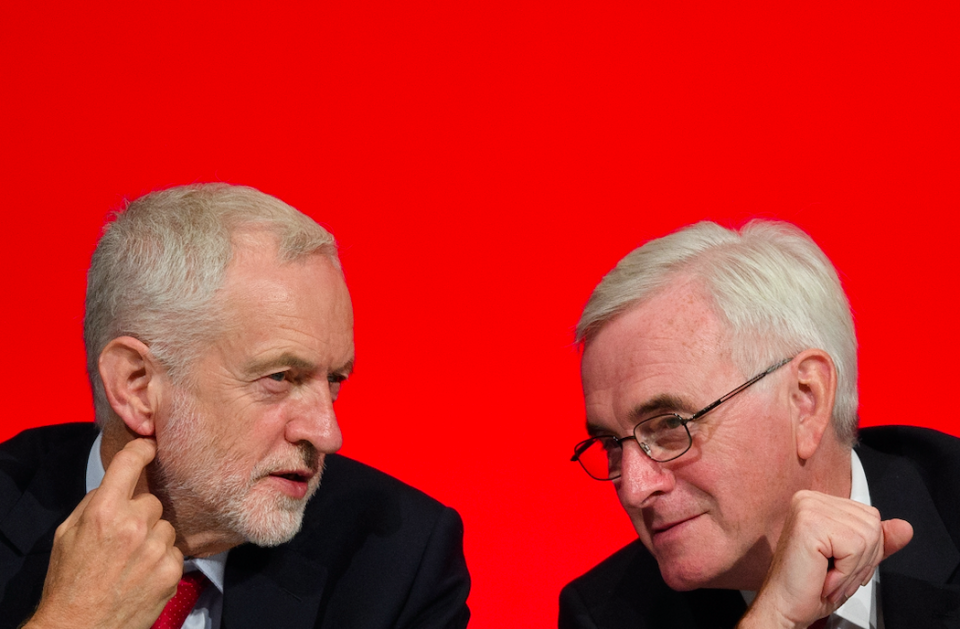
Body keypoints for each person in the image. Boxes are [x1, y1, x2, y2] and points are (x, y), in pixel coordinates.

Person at [0, 184, 470, 629]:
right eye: (280, 378)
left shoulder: (396, 557)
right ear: (137, 385)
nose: (328, 433)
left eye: (333, 381)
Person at [560, 220, 960, 629]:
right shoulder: (607, 615)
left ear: (806, 400)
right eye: (612, 444)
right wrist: (773, 619)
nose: (636, 488)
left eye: (669, 426)